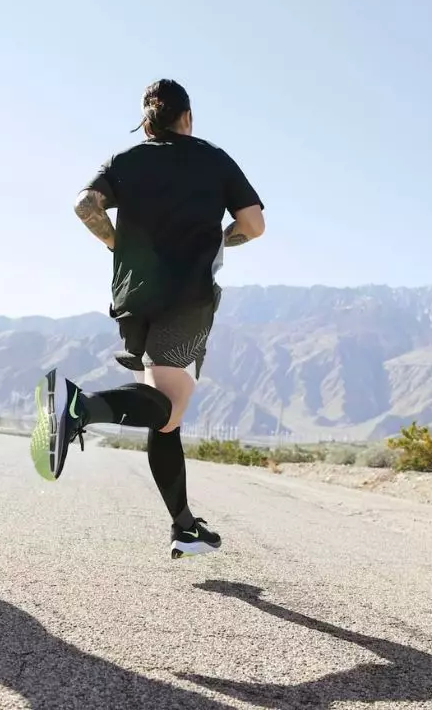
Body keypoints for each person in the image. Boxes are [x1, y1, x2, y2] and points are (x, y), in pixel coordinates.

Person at [31, 78, 266, 559]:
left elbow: (84, 204)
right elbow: (254, 224)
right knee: (170, 408)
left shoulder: (126, 160)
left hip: (133, 297)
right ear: (188, 117)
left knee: (163, 418)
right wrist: (221, 240)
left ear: (146, 120)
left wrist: (116, 243)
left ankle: (184, 526)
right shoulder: (212, 158)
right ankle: (79, 407)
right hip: (188, 294)